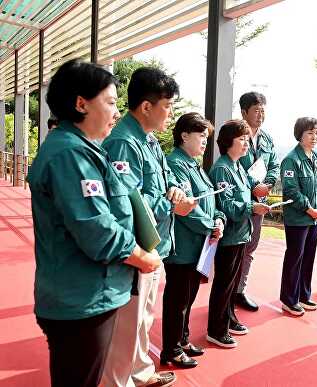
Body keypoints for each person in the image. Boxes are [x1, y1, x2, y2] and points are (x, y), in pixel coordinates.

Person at [28, 59, 161, 387]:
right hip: (81, 300)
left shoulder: (84, 149)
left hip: (87, 295)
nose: (117, 112)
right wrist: (143, 258)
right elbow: (97, 230)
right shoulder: (70, 155)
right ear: (80, 103)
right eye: (111, 102)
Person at [102, 68, 196, 387]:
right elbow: (129, 206)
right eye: (167, 105)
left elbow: (167, 179)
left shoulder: (150, 141)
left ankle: (140, 373)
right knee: (125, 328)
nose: (170, 113)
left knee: (142, 320)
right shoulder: (124, 143)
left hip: (156, 249)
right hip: (137, 252)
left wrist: (176, 192)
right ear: (146, 106)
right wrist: (170, 203)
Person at [161, 113, 226, 368]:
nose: (204, 142)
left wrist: (218, 219)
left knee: (188, 297)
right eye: (201, 136)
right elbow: (186, 207)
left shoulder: (194, 164)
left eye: (207, 138)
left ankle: (183, 339)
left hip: (199, 246)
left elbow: (210, 199)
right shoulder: (176, 164)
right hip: (183, 246)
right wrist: (211, 224)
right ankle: (172, 349)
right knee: (178, 300)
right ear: (184, 135)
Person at [207, 119, 270, 348]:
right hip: (230, 236)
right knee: (224, 283)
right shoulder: (223, 168)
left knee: (232, 284)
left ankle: (229, 318)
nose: (246, 143)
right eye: (241, 139)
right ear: (228, 142)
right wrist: (251, 208)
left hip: (241, 233)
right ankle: (216, 329)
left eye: (247, 139)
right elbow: (226, 205)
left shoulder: (237, 166)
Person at [279, 117, 317, 316]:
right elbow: (291, 191)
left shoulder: (316, 158)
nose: (314, 137)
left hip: (315, 218)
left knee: (308, 258)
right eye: (310, 133)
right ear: (299, 134)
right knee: (295, 258)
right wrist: (310, 209)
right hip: (298, 219)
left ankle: (303, 295)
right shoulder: (291, 159)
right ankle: (289, 299)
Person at [235, 91, 280, 312]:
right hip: (239, 201)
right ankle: (229, 290)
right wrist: (254, 185)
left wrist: (268, 184)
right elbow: (232, 165)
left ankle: (240, 290)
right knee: (235, 247)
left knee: (250, 248)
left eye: (263, 109)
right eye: (256, 110)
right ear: (244, 112)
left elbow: (274, 165)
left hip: (260, 199)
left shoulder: (267, 138)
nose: (261, 114)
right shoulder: (236, 135)